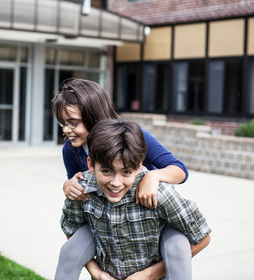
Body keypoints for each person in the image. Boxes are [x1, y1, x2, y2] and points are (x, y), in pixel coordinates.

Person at [52, 79, 194, 279]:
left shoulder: (131, 138)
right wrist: (68, 185)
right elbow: (80, 190)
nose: (66, 130)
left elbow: (180, 171)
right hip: (105, 222)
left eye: (73, 123)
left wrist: (154, 176)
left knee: (176, 247)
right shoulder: (71, 149)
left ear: (93, 116)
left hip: (146, 218)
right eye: (62, 124)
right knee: (70, 250)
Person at [59, 119, 211, 280]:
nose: (116, 183)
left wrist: (149, 275)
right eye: (107, 171)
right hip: (107, 274)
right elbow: (71, 230)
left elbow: (202, 237)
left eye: (126, 172)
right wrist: (96, 272)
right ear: (91, 165)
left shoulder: (159, 194)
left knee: (178, 243)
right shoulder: (82, 189)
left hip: (152, 276)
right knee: (69, 249)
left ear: (138, 167)